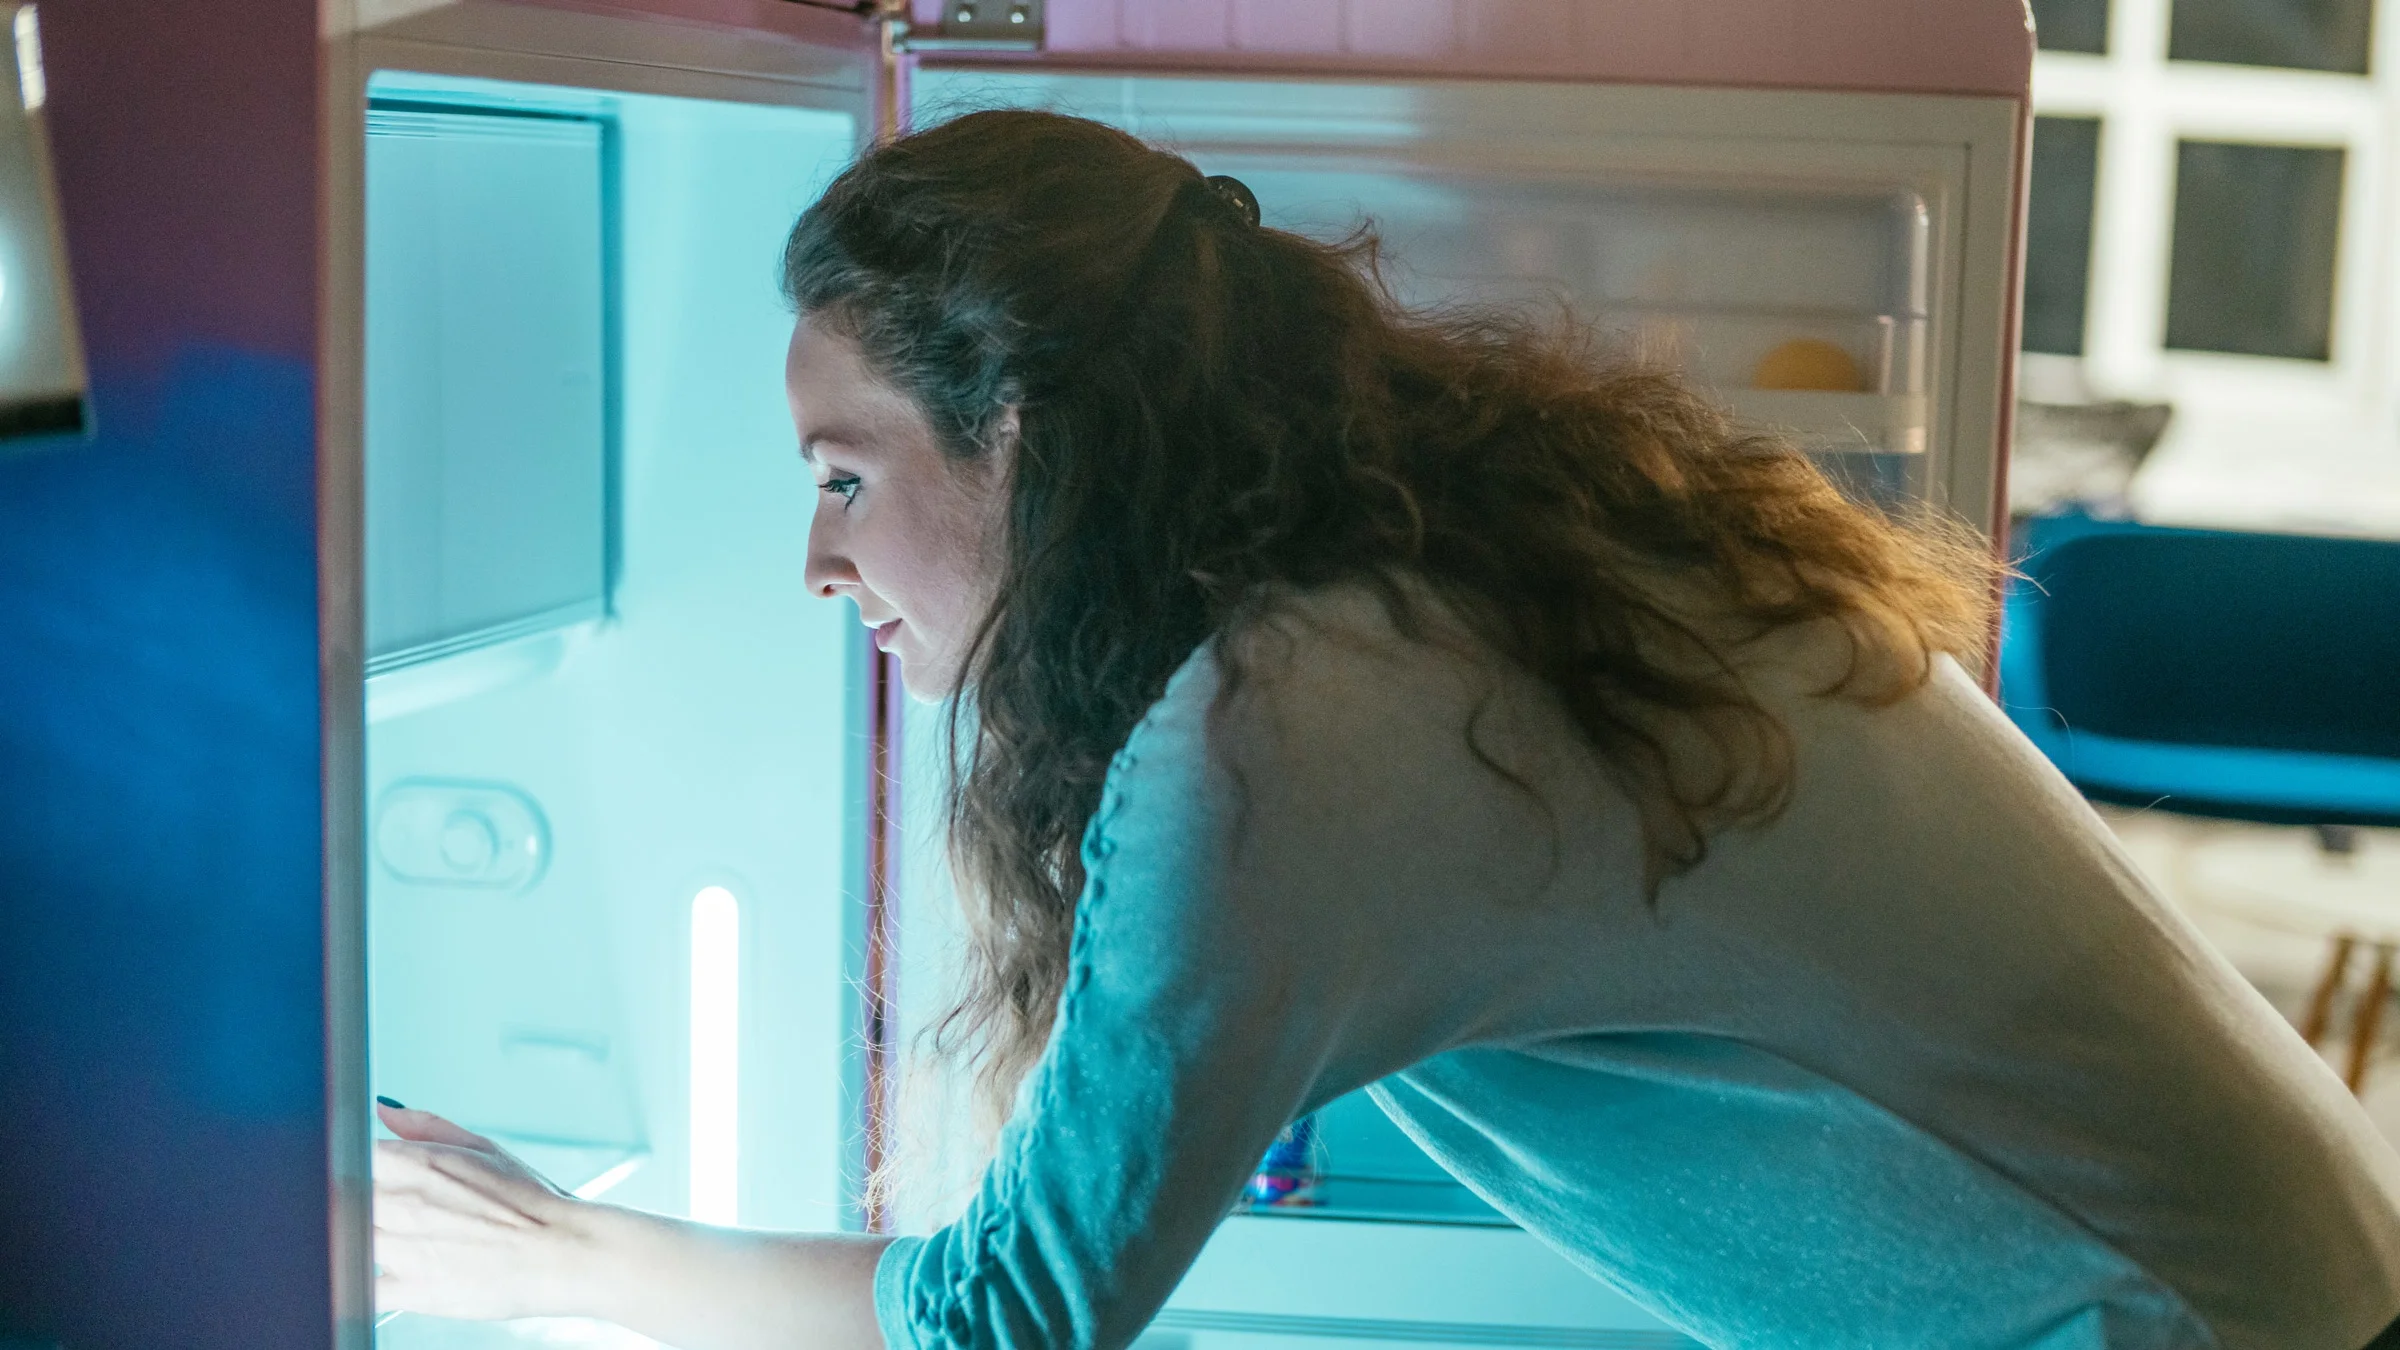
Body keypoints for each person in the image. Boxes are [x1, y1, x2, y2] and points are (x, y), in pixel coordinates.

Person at [369, 109, 2400, 1350]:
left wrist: (546, 1253)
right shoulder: (1445, 572)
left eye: (838, 473)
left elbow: (1006, 1322)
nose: (818, 564)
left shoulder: (1278, 730)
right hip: (2276, 1274)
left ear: (1033, 438)